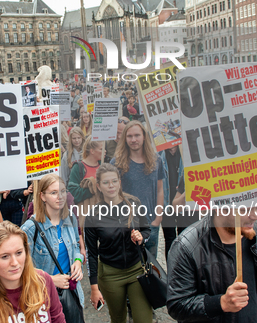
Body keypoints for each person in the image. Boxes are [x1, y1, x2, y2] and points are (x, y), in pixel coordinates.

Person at [166, 206, 257, 323]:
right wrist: (221, 303)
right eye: (244, 210)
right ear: (219, 209)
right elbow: (177, 305)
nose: (255, 216)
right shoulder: (187, 247)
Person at [84, 163, 152, 323]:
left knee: (144, 319)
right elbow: (92, 253)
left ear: (119, 182)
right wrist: (94, 287)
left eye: (114, 181)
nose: (111, 186)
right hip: (110, 275)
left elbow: (147, 230)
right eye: (106, 182)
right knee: (118, 319)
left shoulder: (134, 203)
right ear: (99, 186)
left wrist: (141, 237)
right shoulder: (93, 216)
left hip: (137, 270)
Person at [21, 174, 85, 309]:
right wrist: (50, 280)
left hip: (71, 294)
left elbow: (76, 248)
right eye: (54, 193)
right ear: (42, 196)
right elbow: (22, 269)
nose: (60, 197)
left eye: (62, 191)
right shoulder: (30, 228)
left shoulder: (71, 219)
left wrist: (78, 262)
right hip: (43, 299)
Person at [111, 121, 164, 258]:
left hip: (151, 223)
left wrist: (158, 218)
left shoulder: (156, 160)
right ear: (125, 138)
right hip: (126, 224)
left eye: (137, 135)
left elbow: (160, 190)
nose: (133, 140)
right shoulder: (117, 163)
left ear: (144, 137)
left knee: (151, 266)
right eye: (129, 136)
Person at [160, 145, 197, 259]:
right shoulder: (159, 155)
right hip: (166, 204)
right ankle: (171, 271)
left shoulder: (188, 152)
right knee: (169, 239)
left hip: (185, 205)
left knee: (186, 238)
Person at [68, 135, 103, 210]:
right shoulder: (78, 167)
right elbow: (73, 193)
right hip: (85, 212)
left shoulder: (103, 166)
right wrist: (93, 188)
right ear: (92, 151)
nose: (105, 151)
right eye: (101, 149)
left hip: (103, 211)